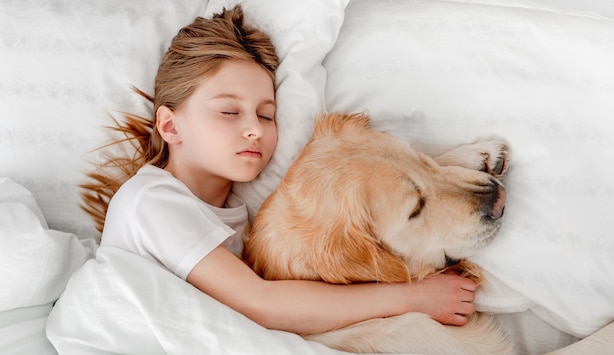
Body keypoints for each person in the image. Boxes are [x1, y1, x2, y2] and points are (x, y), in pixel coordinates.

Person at [81, 6, 478, 335]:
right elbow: (262, 305)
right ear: (170, 126)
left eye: (266, 114)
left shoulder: (238, 218)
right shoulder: (150, 202)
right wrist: (416, 297)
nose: (254, 127)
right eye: (229, 111)